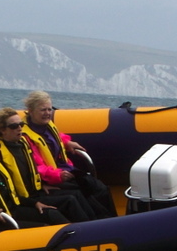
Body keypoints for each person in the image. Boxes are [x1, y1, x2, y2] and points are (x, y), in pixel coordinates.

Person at [22, 91, 117, 219]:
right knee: (81, 192)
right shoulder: (25, 136)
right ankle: (96, 222)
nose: (47, 113)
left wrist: (67, 142)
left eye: (49, 109)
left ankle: (110, 219)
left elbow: (55, 137)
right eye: (43, 110)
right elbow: (35, 165)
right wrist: (58, 175)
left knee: (100, 188)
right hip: (51, 177)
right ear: (31, 111)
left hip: (65, 169)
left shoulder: (47, 125)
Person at [0, 107, 93, 222]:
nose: (19, 128)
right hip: (21, 201)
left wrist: (42, 184)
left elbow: (34, 168)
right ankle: (84, 232)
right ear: (3, 130)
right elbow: (5, 190)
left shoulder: (23, 144)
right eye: (14, 126)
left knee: (76, 193)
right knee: (68, 202)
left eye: (21, 124)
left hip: (36, 192)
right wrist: (34, 203)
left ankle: (97, 224)